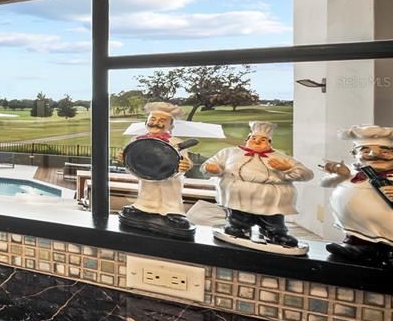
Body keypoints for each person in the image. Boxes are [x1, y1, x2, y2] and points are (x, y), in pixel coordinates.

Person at [203, 122, 313, 252]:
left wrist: (287, 168)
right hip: (239, 195)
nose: (257, 142)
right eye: (253, 139)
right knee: (239, 216)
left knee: (272, 219)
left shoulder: (280, 157)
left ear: (270, 142)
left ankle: (275, 233)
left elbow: (306, 174)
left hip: (270, 197)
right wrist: (212, 168)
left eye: (263, 140)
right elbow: (209, 164)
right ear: (247, 140)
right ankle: (239, 226)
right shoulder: (229, 152)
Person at [118, 102, 195, 239]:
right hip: (147, 175)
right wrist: (125, 158)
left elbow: (184, 162)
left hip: (169, 179)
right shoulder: (137, 140)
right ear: (146, 122)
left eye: (162, 121)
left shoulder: (176, 142)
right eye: (152, 119)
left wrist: (184, 165)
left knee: (169, 193)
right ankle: (144, 207)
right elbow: (134, 162)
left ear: (171, 126)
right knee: (147, 191)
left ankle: (172, 211)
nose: (156, 123)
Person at [321, 124, 393, 266]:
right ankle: (359, 247)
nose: (374, 155)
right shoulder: (350, 173)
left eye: (385, 151)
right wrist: (338, 175)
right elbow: (325, 183)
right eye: (366, 150)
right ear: (354, 154)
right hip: (358, 228)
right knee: (361, 238)